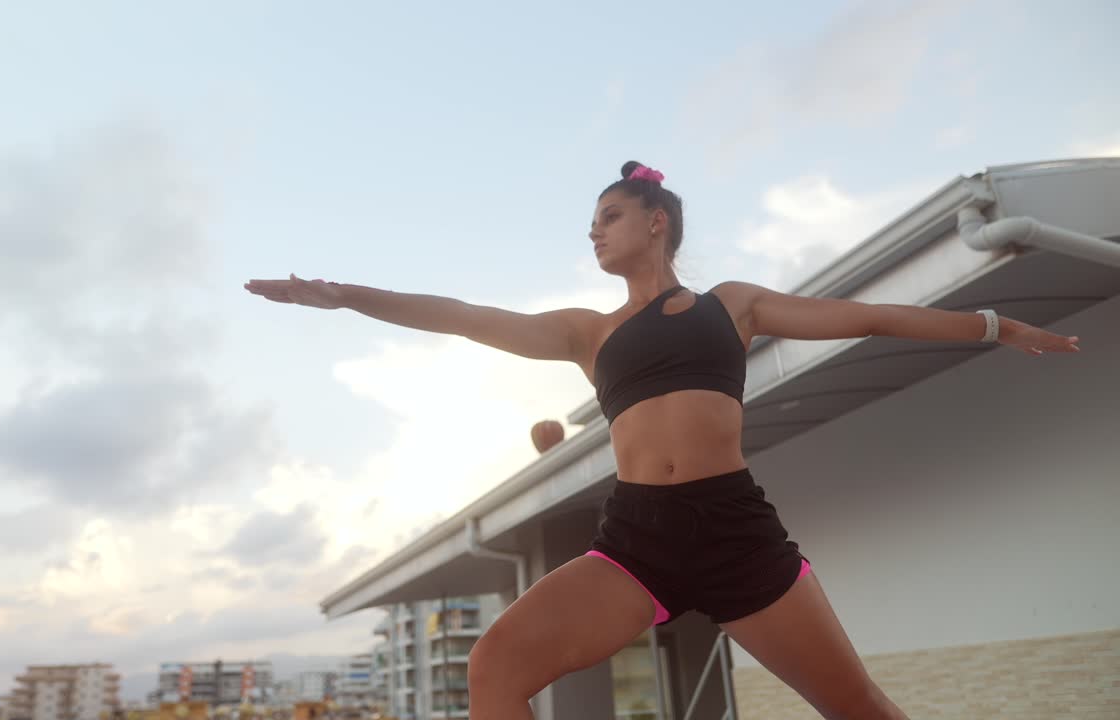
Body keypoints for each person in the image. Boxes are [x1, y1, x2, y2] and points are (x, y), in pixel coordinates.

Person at [244, 161, 1081, 720]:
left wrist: (994, 323)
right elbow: (466, 318)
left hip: (734, 529)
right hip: (637, 539)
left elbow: (865, 315)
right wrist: (344, 296)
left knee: (858, 706)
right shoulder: (588, 332)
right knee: (494, 665)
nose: (595, 232)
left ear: (656, 223)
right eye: (592, 223)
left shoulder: (733, 303)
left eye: (609, 217)